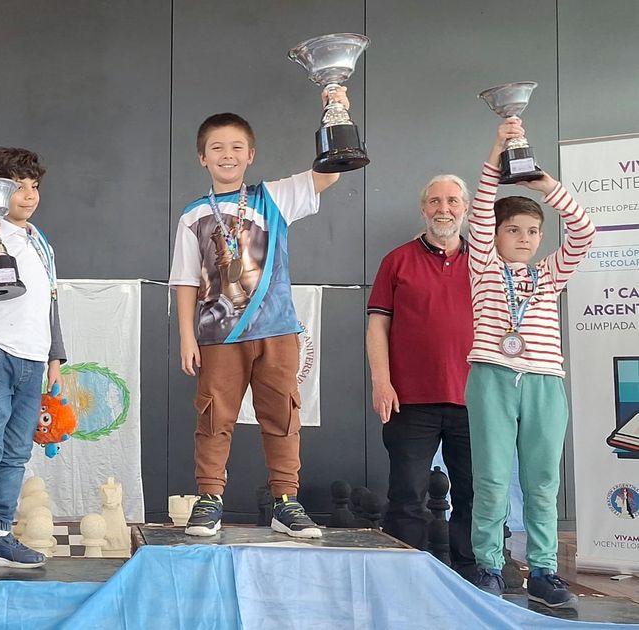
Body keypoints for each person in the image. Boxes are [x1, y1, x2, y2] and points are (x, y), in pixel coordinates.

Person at [168, 89, 349, 538]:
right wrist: (187, 337)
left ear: (250, 155)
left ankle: (285, 501)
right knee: (214, 418)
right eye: (216, 148)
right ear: (202, 158)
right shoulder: (193, 215)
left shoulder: (275, 197)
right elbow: (185, 279)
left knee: (283, 417)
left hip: (277, 332)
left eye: (236, 147)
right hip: (219, 336)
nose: (226, 155)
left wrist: (337, 109)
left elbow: (330, 174)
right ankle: (209, 498)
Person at [466, 118, 595, 607]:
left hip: (544, 382)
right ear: (495, 235)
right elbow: (480, 211)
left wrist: (547, 186)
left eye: (534, 231)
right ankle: (489, 566)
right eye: (514, 230)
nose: (524, 238)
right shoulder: (483, 267)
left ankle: (543, 571)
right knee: (492, 479)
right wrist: (497, 149)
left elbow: (584, 233)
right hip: (493, 378)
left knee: (543, 482)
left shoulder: (549, 274)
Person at [0, 147, 66, 578]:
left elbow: (51, 300)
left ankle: (0, 532)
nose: (29, 195)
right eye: (18, 187)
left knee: (17, 452)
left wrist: (55, 356)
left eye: (34, 186)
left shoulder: (39, 240)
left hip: (33, 358)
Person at [366, 173, 477, 580]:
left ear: (466, 208)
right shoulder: (396, 261)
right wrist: (382, 381)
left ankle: (473, 574)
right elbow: (377, 326)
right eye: (435, 201)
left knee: (474, 494)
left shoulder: (486, 264)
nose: (443, 209)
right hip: (409, 399)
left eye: (452, 201)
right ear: (423, 208)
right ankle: (405, 576)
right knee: (406, 496)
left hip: (475, 400)